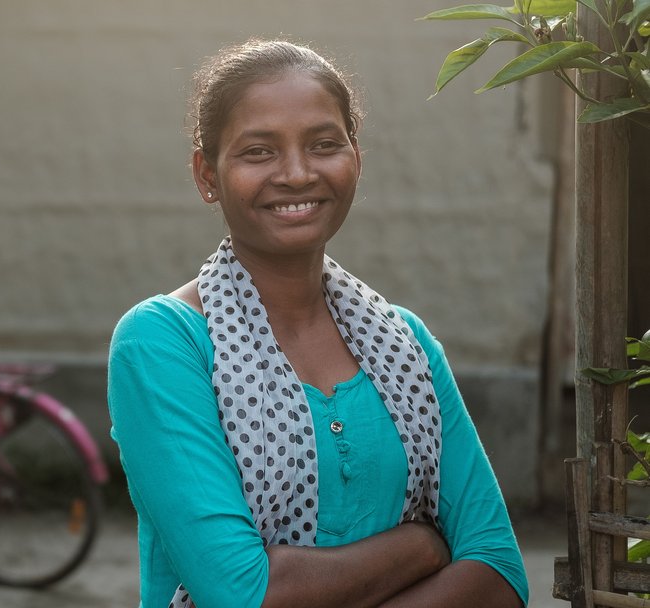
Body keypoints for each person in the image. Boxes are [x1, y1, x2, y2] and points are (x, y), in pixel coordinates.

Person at [108, 38, 528, 608]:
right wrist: (423, 546)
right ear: (208, 175)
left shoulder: (405, 344)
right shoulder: (164, 342)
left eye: (324, 145)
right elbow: (244, 595)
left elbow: (500, 573)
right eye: (259, 151)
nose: (298, 173)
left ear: (357, 158)